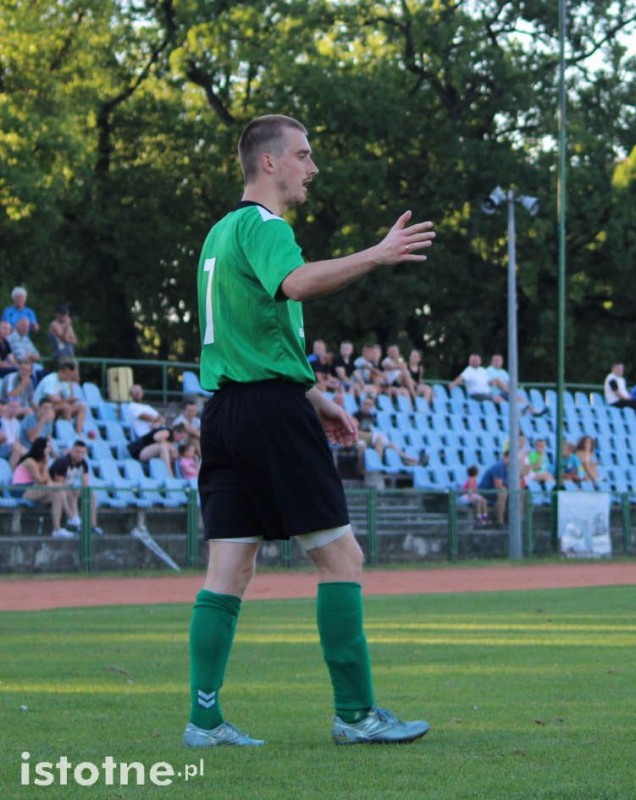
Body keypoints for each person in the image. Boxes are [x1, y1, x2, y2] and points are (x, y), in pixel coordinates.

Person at [185, 113, 435, 748]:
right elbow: (295, 283)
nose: (312, 168)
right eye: (303, 155)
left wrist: (316, 395)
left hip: (225, 413)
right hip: (270, 415)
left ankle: (204, 722)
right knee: (341, 557)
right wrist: (377, 254)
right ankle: (356, 715)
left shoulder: (219, 235)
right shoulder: (267, 226)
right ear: (269, 162)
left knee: (229, 568)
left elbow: (249, 339)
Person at [10, 438, 71, 538]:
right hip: (22, 490)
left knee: (58, 495)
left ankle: (57, 529)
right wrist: (46, 462)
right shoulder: (30, 462)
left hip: (34, 489)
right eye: (48, 448)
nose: (50, 450)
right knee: (59, 487)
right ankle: (70, 516)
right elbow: (41, 481)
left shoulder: (41, 462)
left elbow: (47, 481)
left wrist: (45, 463)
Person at [49, 439, 102, 536]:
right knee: (70, 493)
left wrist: (84, 491)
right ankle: (73, 521)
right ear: (71, 450)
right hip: (53, 490)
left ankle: (92, 525)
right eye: (77, 452)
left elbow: (85, 483)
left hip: (68, 487)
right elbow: (58, 483)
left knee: (90, 493)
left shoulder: (83, 463)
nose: (79, 455)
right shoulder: (62, 462)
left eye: (82, 453)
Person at [33, 358, 88, 436]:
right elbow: (50, 398)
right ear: (61, 372)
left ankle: (78, 432)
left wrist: (71, 388)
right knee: (66, 407)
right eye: (68, 375)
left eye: (71, 376)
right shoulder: (51, 380)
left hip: (55, 406)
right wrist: (67, 400)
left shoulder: (65, 381)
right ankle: (66, 434)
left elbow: (68, 398)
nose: (69, 378)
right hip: (41, 407)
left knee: (81, 407)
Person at [478, 454, 509, 526]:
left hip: (495, 492)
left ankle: (518, 521)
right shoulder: (499, 466)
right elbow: (498, 486)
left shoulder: (511, 468)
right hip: (486, 492)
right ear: (504, 457)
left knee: (521, 494)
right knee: (503, 493)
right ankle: (500, 521)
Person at [0, 396, 25, 467]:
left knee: (28, 451)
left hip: (13, 446)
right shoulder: (1, 420)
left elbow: (17, 439)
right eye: (12, 407)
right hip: (3, 447)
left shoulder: (17, 423)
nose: (14, 409)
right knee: (16, 447)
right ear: (7, 407)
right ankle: (11, 471)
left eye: (16, 407)